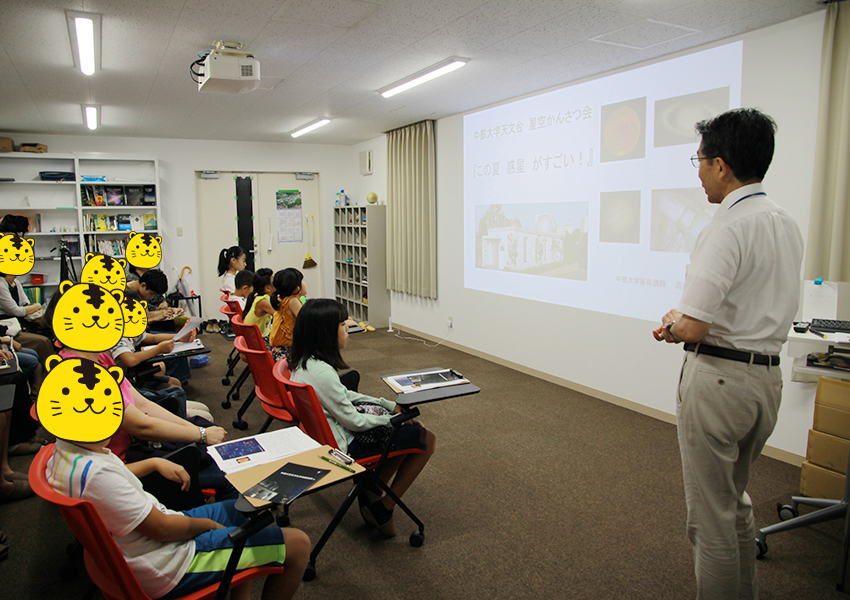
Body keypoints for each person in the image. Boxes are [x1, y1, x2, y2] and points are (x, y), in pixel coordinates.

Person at [652, 108, 804, 599]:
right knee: (734, 505)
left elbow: (695, 324)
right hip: (765, 384)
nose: (697, 173)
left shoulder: (726, 226)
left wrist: (674, 324)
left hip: (719, 382)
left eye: (698, 161)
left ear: (721, 165)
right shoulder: (784, 223)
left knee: (710, 522)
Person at [45, 411, 309, 600]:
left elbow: (114, 477)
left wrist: (153, 462)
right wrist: (207, 527)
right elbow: (162, 529)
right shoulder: (97, 475)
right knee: (298, 544)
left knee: (244, 509)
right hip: (169, 563)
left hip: (149, 544)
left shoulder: (68, 451)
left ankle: (238, 582)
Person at [290, 298, 437, 537]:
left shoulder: (306, 364)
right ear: (326, 333)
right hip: (343, 446)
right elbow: (355, 422)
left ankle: (371, 487)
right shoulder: (323, 373)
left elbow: (345, 394)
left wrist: (386, 404)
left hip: (327, 436)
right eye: (343, 325)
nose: (348, 328)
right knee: (426, 438)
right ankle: (383, 508)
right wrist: (391, 420)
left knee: (405, 433)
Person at [0, 272, 53, 364]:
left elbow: (25, 304)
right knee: (43, 342)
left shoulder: (15, 282)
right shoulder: (1, 284)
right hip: (9, 327)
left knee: (49, 331)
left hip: (21, 322)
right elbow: (17, 311)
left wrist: (29, 308)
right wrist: (37, 305)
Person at [267, 269, 305, 363]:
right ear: (297, 288)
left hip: (277, 348)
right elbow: (306, 319)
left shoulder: (280, 298)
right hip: (285, 350)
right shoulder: (292, 301)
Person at [241, 268, 274, 338]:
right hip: (260, 340)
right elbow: (282, 316)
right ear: (268, 288)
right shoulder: (263, 302)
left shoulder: (257, 296)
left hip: (257, 338)